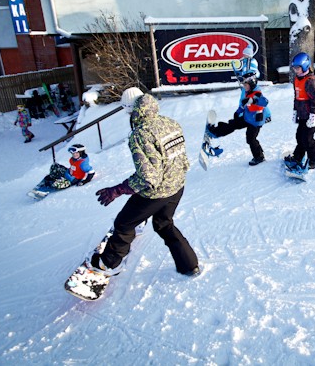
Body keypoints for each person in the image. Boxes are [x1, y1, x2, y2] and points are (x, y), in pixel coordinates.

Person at [90, 87, 199, 277]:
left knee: (124, 224)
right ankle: (189, 265)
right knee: (164, 224)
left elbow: (149, 177)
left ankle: (108, 264)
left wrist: (118, 189)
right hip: (177, 186)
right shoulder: (169, 122)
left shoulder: (141, 134)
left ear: (132, 110)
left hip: (157, 191)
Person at [207, 76, 271, 166]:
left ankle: (259, 157)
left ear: (252, 84)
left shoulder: (257, 93)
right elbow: (243, 105)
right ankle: (216, 132)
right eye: (244, 85)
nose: (244, 87)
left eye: (246, 85)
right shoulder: (248, 92)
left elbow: (264, 102)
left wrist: (252, 100)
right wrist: (238, 112)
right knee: (232, 124)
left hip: (255, 122)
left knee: (251, 139)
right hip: (247, 117)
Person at [285, 52, 315, 170]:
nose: (296, 70)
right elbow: (297, 97)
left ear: (305, 66)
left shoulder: (310, 81)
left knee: (308, 138)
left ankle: (314, 160)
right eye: (294, 68)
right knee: (299, 136)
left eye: (298, 68)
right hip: (302, 114)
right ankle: (298, 157)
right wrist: (295, 111)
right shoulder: (297, 79)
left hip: (311, 115)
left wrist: (313, 115)